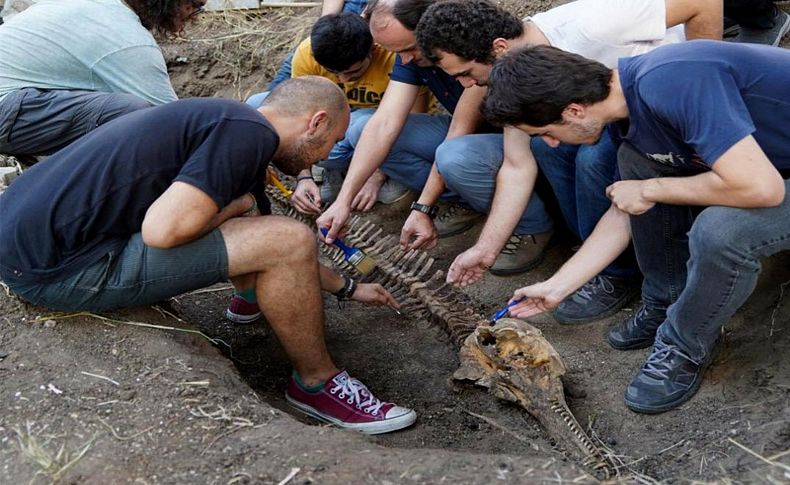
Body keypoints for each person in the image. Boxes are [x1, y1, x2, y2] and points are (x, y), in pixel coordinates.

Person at [0, 76, 416, 434]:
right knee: (284, 237)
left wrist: (347, 287)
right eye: (334, 141)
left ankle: (250, 299)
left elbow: (260, 232)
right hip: (58, 270)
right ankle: (316, 385)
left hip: (25, 241)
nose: (327, 155)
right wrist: (235, 209)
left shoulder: (227, 120)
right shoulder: (248, 137)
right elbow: (163, 231)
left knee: (262, 225)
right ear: (316, 122)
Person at [482, 42, 790, 413]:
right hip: (769, 163)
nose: (549, 142)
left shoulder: (673, 80)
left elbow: (761, 188)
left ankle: (685, 343)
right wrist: (555, 287)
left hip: (767, 177)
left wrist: (651, 188)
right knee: (637, 163)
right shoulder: (625, 109)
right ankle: (666, 300)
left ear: (574, 111)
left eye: (545, 131)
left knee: (721, 232)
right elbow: (623, 210)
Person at [415, 0, 722, 324]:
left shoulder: (589, 25)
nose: (466, 85)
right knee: (550, 149)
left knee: (592, 158)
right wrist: (486, 249)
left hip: (664, 107)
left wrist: (707, 97)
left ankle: (618, 273)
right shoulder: (515, 81)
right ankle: (599, 256)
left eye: (466, 73)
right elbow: (517, 166)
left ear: (500, 47)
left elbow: (702, 3)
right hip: (615, 122)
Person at [318, 0, 555, 276]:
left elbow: (459, 131)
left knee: (454, 156)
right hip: (474, 141)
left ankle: (533, 225)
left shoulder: (474, 51)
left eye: (408, 49)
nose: (404, 59)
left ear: (431, 31)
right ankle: (470, 199)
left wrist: (423, 206)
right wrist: (343, 201)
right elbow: (384, 123)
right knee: (363, 129)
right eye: (396, 53)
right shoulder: (410, 56)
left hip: (518, 142)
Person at [247, 13, 414, 214]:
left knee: (360, 130)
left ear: (372, 50)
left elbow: (408, 121)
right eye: (334, 73)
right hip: (337, 123)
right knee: (257, 104)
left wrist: (375, 176)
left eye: (353, 72)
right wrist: (304, 176)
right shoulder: (308, 52)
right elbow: (297, 113)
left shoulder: (393, 56)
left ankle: (384, 169)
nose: (343, 80)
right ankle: (332, 168)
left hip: (376, 126)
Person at [0, 0, 197, 159]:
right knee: (133, 113)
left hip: (15, 102)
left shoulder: (91, 7)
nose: (194, 15)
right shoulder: (125, 37)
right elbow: (175, 125)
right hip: (7, 107)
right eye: (195, 5)